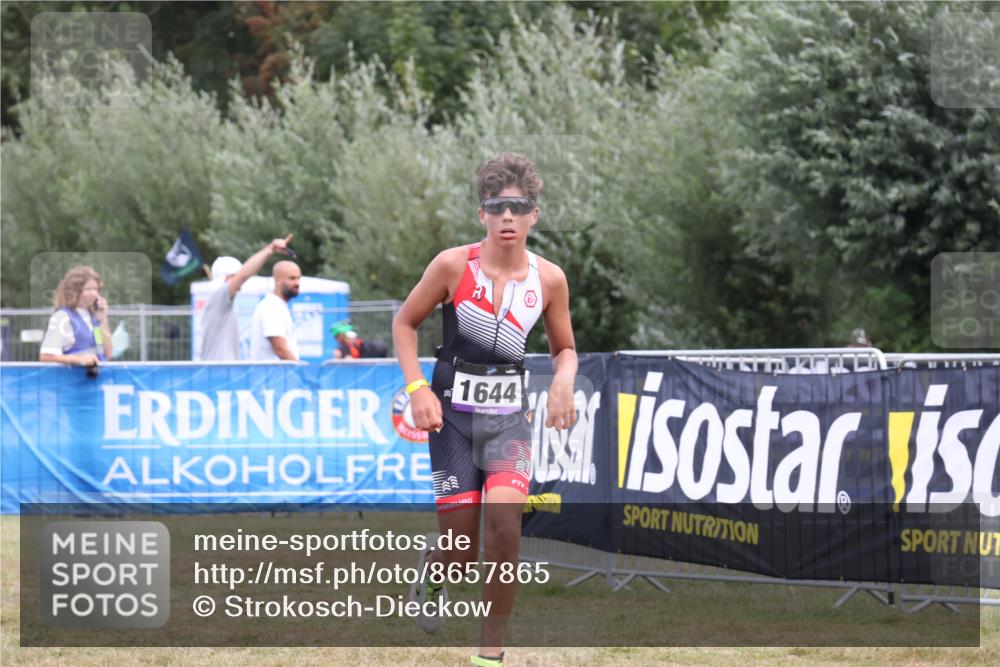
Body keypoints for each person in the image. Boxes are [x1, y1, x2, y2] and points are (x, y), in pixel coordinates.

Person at [391, 153, 578, 666]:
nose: (507, 217)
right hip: (451, 421)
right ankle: (436, 569)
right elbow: (404, 323)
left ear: (534, 214)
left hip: (508, 422)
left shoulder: (550, 279)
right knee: (461, 555)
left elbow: (564, 348)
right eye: (497, 207)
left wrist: (564, 380)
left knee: (505, 530)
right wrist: (418, 390)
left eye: (518, 207)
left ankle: (489, 656)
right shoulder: (453, 266)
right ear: (482, 214)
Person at [200, 235, 295, 361]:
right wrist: (270, 249)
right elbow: (244, 275)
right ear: (228, 277)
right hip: (219, 371)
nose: (241, 286)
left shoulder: (220, 302)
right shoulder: (218, 296)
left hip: (220, 370)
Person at [39, 265, 112, 368]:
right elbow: (46, 357)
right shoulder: (62, 317)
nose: (94, 293)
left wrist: (103, 319)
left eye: (96, 289)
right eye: (89, 289)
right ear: (74, 291)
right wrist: (79, 359)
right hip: (75, 377)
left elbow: (107, 354)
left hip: (97, 376)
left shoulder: (93, 318)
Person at [249, 260, 301, 361]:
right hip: (272, 371)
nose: (297, 283)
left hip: (278, 371)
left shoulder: (278, 306)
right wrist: (299, 369)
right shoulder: (271, 307)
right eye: (292, 278)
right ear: (278, 280)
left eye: (298, 278)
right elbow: (280, 349)